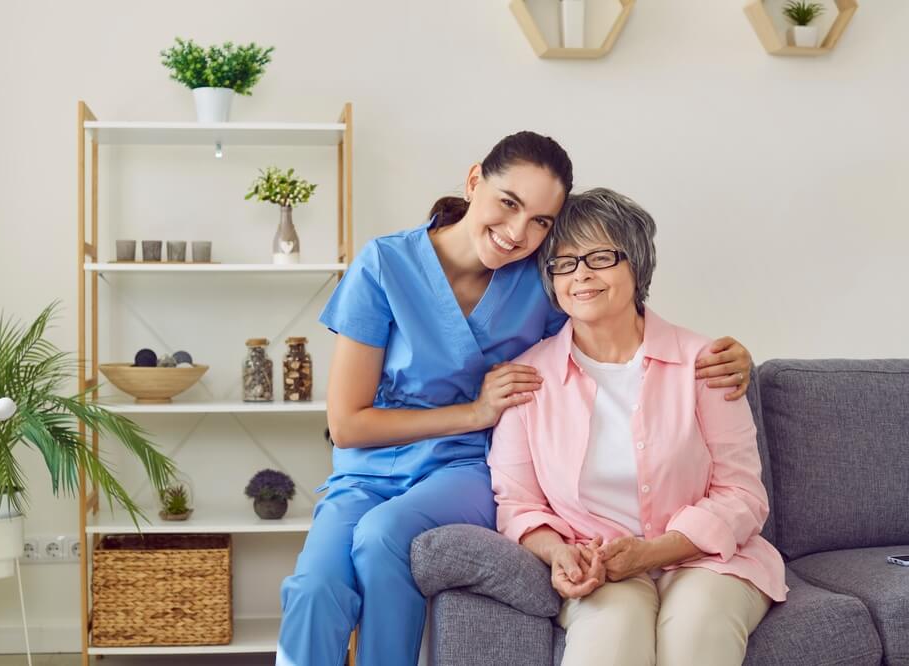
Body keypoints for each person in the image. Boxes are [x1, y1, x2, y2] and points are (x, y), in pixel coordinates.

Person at [276, 134, 754, 666]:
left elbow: (614, 326)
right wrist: (475, 412)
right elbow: (346, 425)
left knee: (382, 537)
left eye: (541, 222)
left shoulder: (541, 277)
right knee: (314, 587)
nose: (517, 233)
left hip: (462, 467)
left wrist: (727, 356)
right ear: (475, 180)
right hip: (368, 466)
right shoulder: (385, 265)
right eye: (508, 203)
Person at [489, 187, 787, 666]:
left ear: (638, 264)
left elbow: (743, 495)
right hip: (600, 568)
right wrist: (558, 553)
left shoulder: (705, 364)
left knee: (696, 631)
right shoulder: (528, 379)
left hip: (709, 559)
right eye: (564, 262)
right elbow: (517, 502)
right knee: (609, 638)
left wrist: (653, 553)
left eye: (600, 257)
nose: (580, 273)